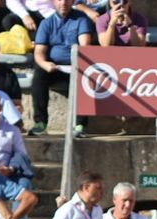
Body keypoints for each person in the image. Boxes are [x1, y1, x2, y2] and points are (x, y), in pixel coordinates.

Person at [31, 0, 94, 137]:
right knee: (39, 75)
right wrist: (45, 64)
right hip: (55, 68)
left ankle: (79, 125)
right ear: (53, 2)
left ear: (72, 1)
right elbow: (39, 52)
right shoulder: (46, 23)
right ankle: (40, 123)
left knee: (85, 75)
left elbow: (85, 46)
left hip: (76, 66)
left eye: (67, 0)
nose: (63, 3)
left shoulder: (81, 19)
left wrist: (78, 64)